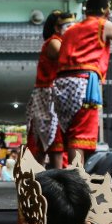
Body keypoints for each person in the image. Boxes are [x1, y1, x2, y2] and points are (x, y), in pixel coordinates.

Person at [53, 0, 112, 163]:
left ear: (86, 10)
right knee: (79, 136)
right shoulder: (103, 24)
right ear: (105, 10)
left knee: (70, 132)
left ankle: (73, 176)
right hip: (84, 83)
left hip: (62, 84)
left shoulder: (71, 30)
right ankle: (77, 179)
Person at [27, 10, 74, 167]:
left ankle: (52, 183)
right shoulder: (54, 42)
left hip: (56, 96)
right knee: (51, 145)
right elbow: (68, 57)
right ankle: (49, 184)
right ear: (56, 27)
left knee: (53, 144)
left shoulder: (60, 40)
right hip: (48, 97)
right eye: (68, 26)